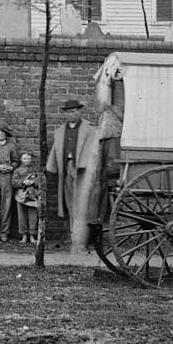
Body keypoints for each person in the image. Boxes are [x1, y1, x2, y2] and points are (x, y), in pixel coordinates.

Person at [46, 98, 98, 239]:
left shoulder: (90, 129)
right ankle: (74, 233)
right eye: (68, 112)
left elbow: (93, 151)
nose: (71, 115)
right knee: (70, 204)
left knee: (85, 204)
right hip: (67, 170)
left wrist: (82, 166)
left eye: (74, 111)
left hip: (85, 171)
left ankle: (87, 236)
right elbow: (55, 151)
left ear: (79, 112)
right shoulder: (60, 131)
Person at [13, 151, 41, 244]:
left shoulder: (35, 170)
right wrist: (22, 182)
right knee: (22, 217)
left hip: (33, 196)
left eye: (28, 158)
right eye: (25, 158)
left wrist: (33, 182)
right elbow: (14, 183)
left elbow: (41, 180)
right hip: (21, 196)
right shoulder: (17, 170)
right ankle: (24, 236)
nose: (27, 160)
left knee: (33, 216)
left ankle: (32, 236)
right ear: (21, 159)